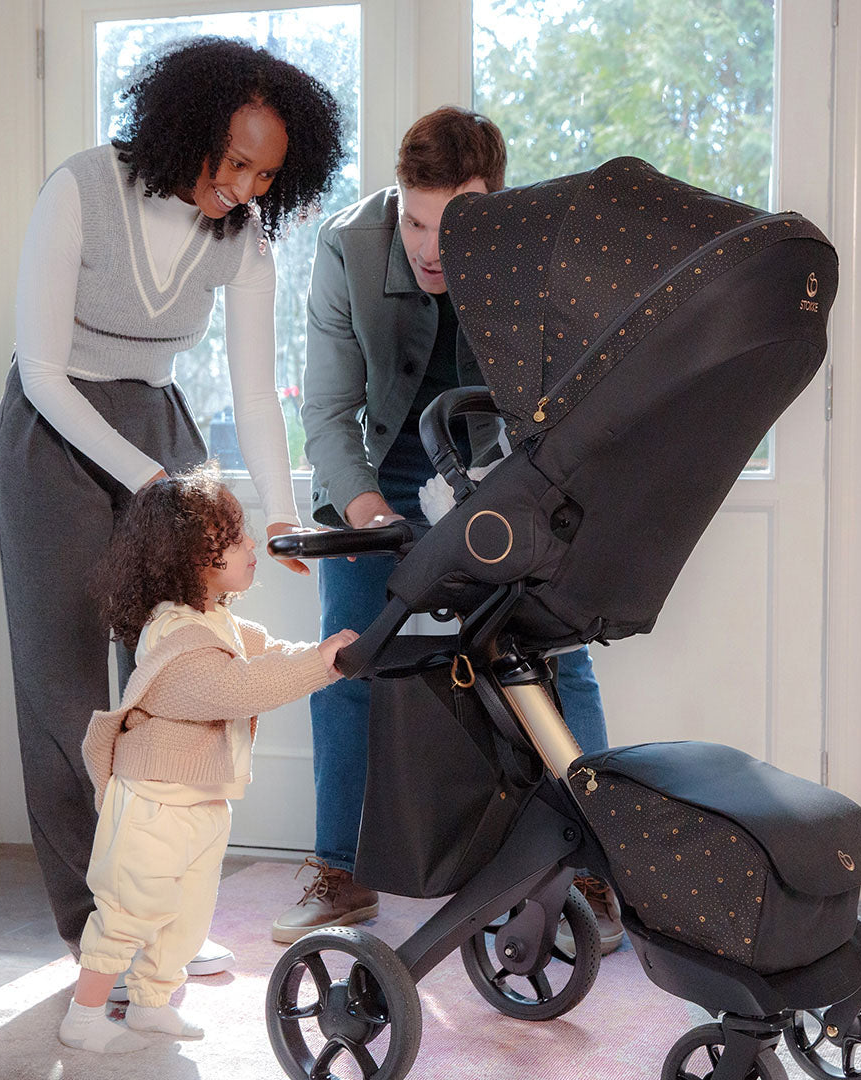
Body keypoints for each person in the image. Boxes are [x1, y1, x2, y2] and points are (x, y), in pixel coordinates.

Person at [0, 36, 344, 978]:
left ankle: (162, 915)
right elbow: (43, 373)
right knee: (65, 687)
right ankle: (94, 927)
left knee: (178, 674)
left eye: (267, 174)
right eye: (234, 162)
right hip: (55, 433)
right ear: (185, 127)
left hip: (157, 424)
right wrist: (151, 482)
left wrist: (278, 512)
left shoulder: (245, 235)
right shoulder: (80, 191)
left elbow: (256, 390)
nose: (246, 188)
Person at [271, 107, 621, 953]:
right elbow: (328, 412)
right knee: (348, 658)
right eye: (416, 222)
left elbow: (568, 400)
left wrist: (508, 502)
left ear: (495, 203)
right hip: (382, 475)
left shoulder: (537, 250)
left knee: (558, 660)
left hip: (508, 470)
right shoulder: (347, 246)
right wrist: (372, 515)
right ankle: (341, 869)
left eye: (453, 227)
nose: (431, 249)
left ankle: (593, 868)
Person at [57, 465, 358, 1053]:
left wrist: (331, 656)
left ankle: (151, 1004)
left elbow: (270, 654)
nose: (252, 545)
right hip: (153, 803)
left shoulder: (216, 620)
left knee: (186, 916)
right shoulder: (175, 636)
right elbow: (238, 687)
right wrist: (319, 664)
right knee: (130, 910)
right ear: (191, 559)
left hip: (200, 801)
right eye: (236, 537)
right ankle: (84, 1016)